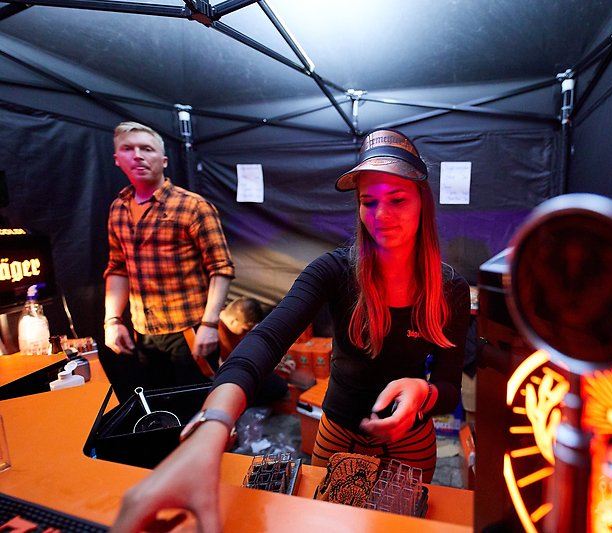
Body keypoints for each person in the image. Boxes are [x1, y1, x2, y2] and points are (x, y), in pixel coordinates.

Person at [111, 128, 470, 533]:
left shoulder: (450, 288)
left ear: (423, 201)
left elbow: (449, 387)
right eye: (368, 201)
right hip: (338, 433)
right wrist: (213, 424)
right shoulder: (333, 270)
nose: (381, 215)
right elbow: (266, 339)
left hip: (412, 441)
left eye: (397, 199)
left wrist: (425, 393)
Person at [103, 121, 235, 395]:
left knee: (198, 404)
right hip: (144, 333)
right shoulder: (118, 209)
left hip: (188, 330)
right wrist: (112, 321)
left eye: (146, 149)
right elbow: (117, 268)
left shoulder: (193, 206)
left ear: (163, 160)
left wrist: (210, 324)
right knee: (159, 405)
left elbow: (221, 268)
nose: (137, 155)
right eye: (128, 149)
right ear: (117, 159)